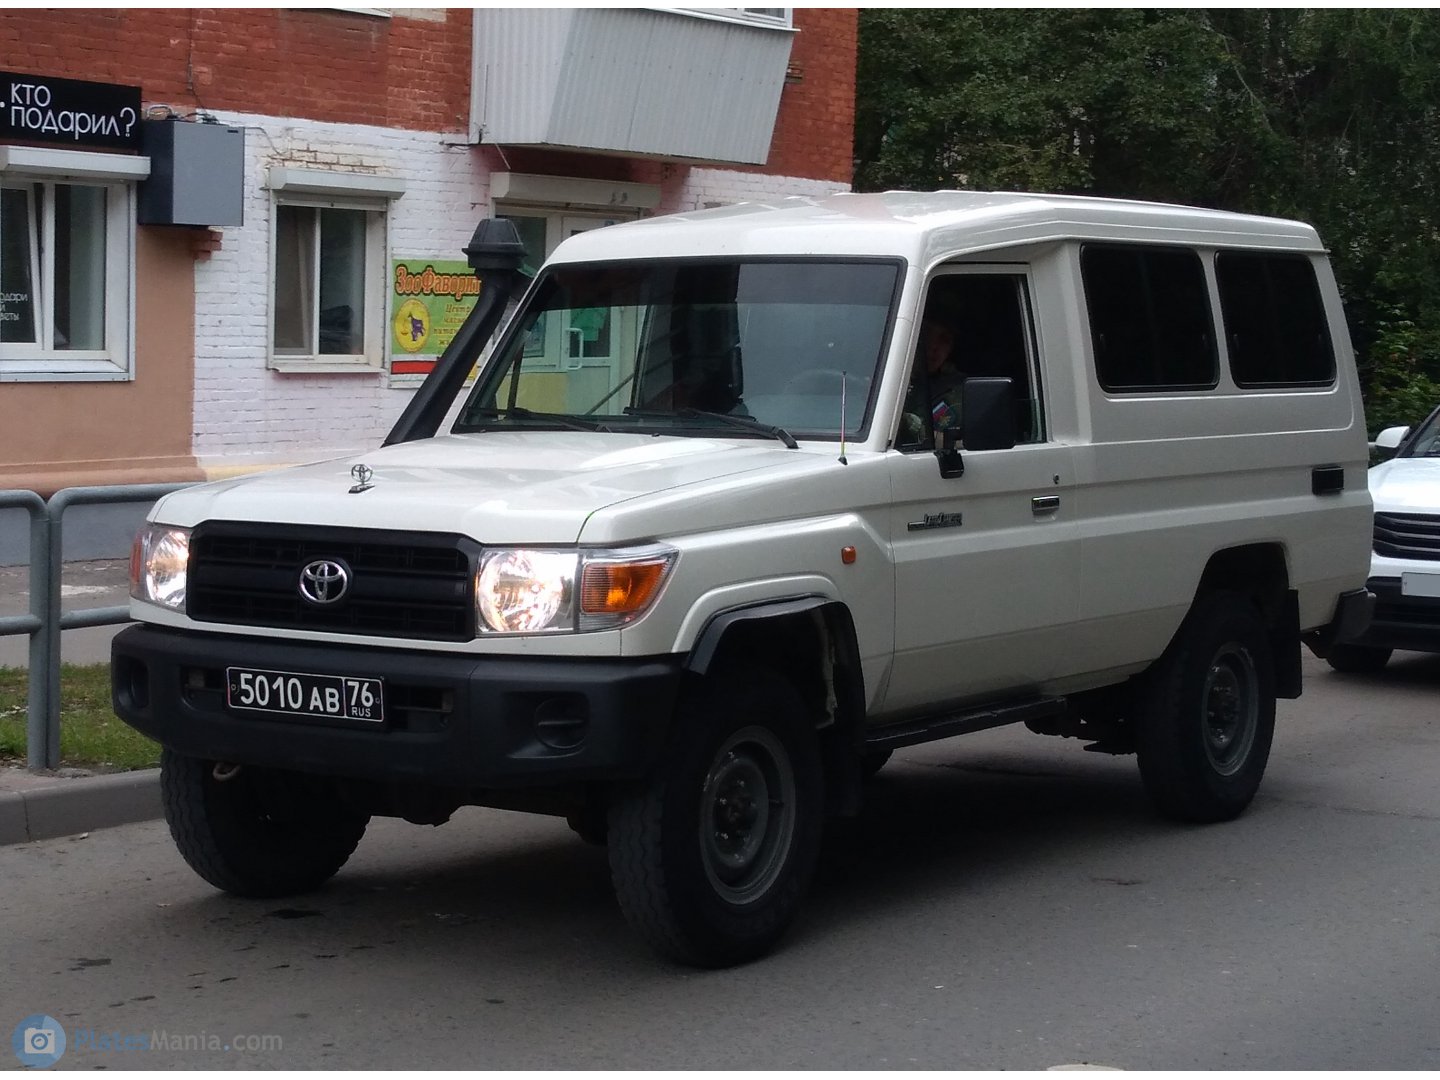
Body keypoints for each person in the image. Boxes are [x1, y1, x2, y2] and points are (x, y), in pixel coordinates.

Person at [901, 315, 966, 445]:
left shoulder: (960, 392)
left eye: (944, 340)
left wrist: (906, 423)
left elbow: (953, 445)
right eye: (926, 335)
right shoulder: (877, 380)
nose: (933, 346)